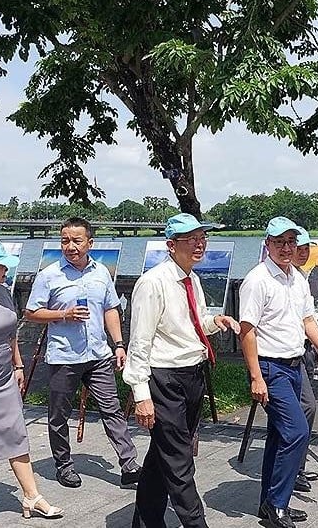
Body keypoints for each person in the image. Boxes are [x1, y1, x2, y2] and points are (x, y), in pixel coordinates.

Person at [123, 214, 239, 528]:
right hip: (164, 378)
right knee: (179, 460)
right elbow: (140, 342)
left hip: (192, 375)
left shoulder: (192, 279)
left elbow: (196, 322)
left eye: (203, 237)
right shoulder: (153, 283)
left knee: (164, 454)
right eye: (192, 238)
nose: (200, 243)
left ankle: (145, 520)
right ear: (171, 245)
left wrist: (217, 322)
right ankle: (195, 523)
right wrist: (141, 394)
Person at [239, 217, 318, 528]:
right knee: (297, 431)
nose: (286, 248)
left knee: (278, 435)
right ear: (268, 245)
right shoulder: (258, 280)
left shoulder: (297, 278)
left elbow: (308, 321)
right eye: (279, 242)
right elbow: (246, 331)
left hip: (294, 364)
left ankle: (271, 504)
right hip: (270, 367)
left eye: (291, 241)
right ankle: (276, 506)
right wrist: (257, 376)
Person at [24, 217, 140, 488]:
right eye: (65, 240)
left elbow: (111, 308)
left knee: (111, 409)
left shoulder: (100, 272)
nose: (70, 246)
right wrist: (63, 314)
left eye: (77, 240)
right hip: (64, 356)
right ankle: (64, 465)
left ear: (90, 243)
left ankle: (129, 464)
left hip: (98, 354)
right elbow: (31, 312)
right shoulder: (49, 275)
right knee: (59, 415)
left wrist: (119, 344)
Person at [0, 237, 64, 522]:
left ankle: (31, 495)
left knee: (16, 433)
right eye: (2, 267)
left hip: (3, 377)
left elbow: (11, 333)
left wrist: (18, 365)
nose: (7, 272)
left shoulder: (3, 292)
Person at [289, 227, 318, 492]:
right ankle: (293, 469)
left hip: (305, 350)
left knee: (307, 409)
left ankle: (297, 466)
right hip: (283, 358)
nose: (303, 252)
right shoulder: (280, 278)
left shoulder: (301, 278)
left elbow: (308, 317)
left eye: (306, 248)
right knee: (303, 409)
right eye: (299, 247)